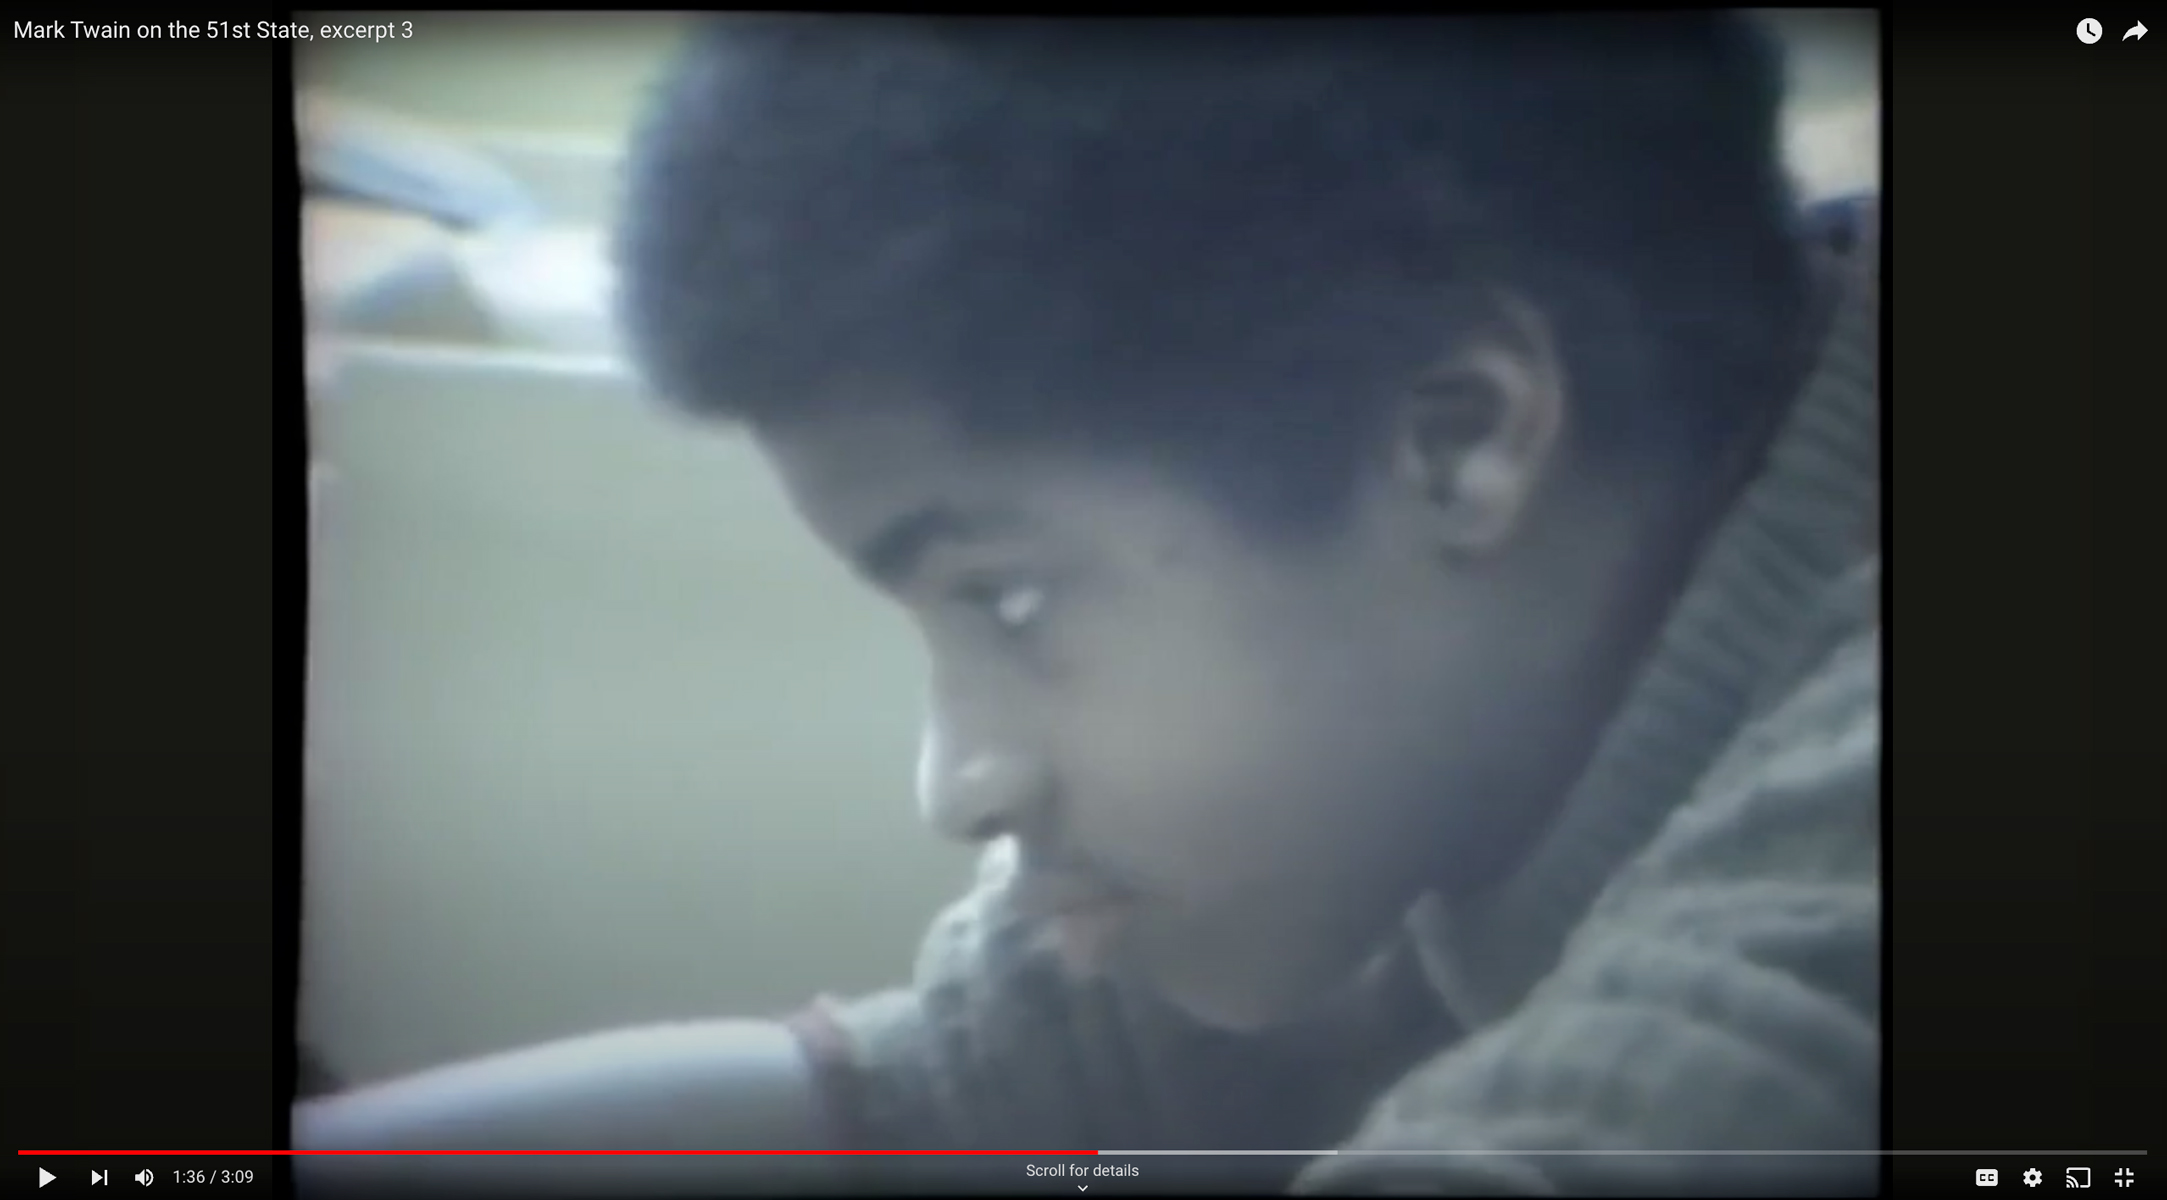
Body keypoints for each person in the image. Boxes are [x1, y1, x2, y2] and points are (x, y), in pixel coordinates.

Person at [295, 13, 1880, 1196]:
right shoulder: (1466, 706)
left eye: (1013, 598)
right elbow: (937, 1107)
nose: (959, 781)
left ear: (1456, 440)